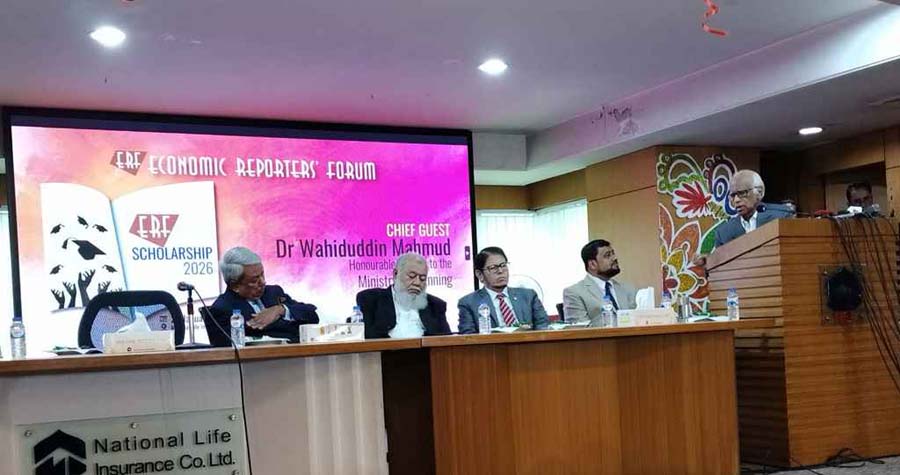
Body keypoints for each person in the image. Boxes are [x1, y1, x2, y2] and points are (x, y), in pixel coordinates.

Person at [207, 246, 318, 344]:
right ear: (235, 285)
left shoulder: (274, 293)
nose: (263, 282)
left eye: (262, 275)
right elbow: (226, 350)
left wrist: (281, 310)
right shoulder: (222, 309)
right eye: (254, 280)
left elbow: (312, 316)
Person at [356, 252, 451, 339]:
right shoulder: (371, 300)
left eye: (422, 278)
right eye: (412, 276)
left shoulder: (435, 306)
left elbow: (447, 341)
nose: (417, 283)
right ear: (395, 274)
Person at [457, 247, 549, 334]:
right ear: (479, 274)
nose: (500, 271)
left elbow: (543, 326)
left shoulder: (529, 296)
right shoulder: (468, 303)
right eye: (493, 267)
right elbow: (469, 338)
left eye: (503, 265)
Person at [563, 239, 637, 324]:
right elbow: (580, 330)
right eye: (607, 255)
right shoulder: (574, 293)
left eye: (613, 253)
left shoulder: (627, 289)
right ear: (592, 264)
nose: (614, 258)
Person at [714, 170, 794, 247]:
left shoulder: (781, 218)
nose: (736, 200)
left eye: (742, 193)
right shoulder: (723, 233)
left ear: (760, 192)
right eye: (733, 195)